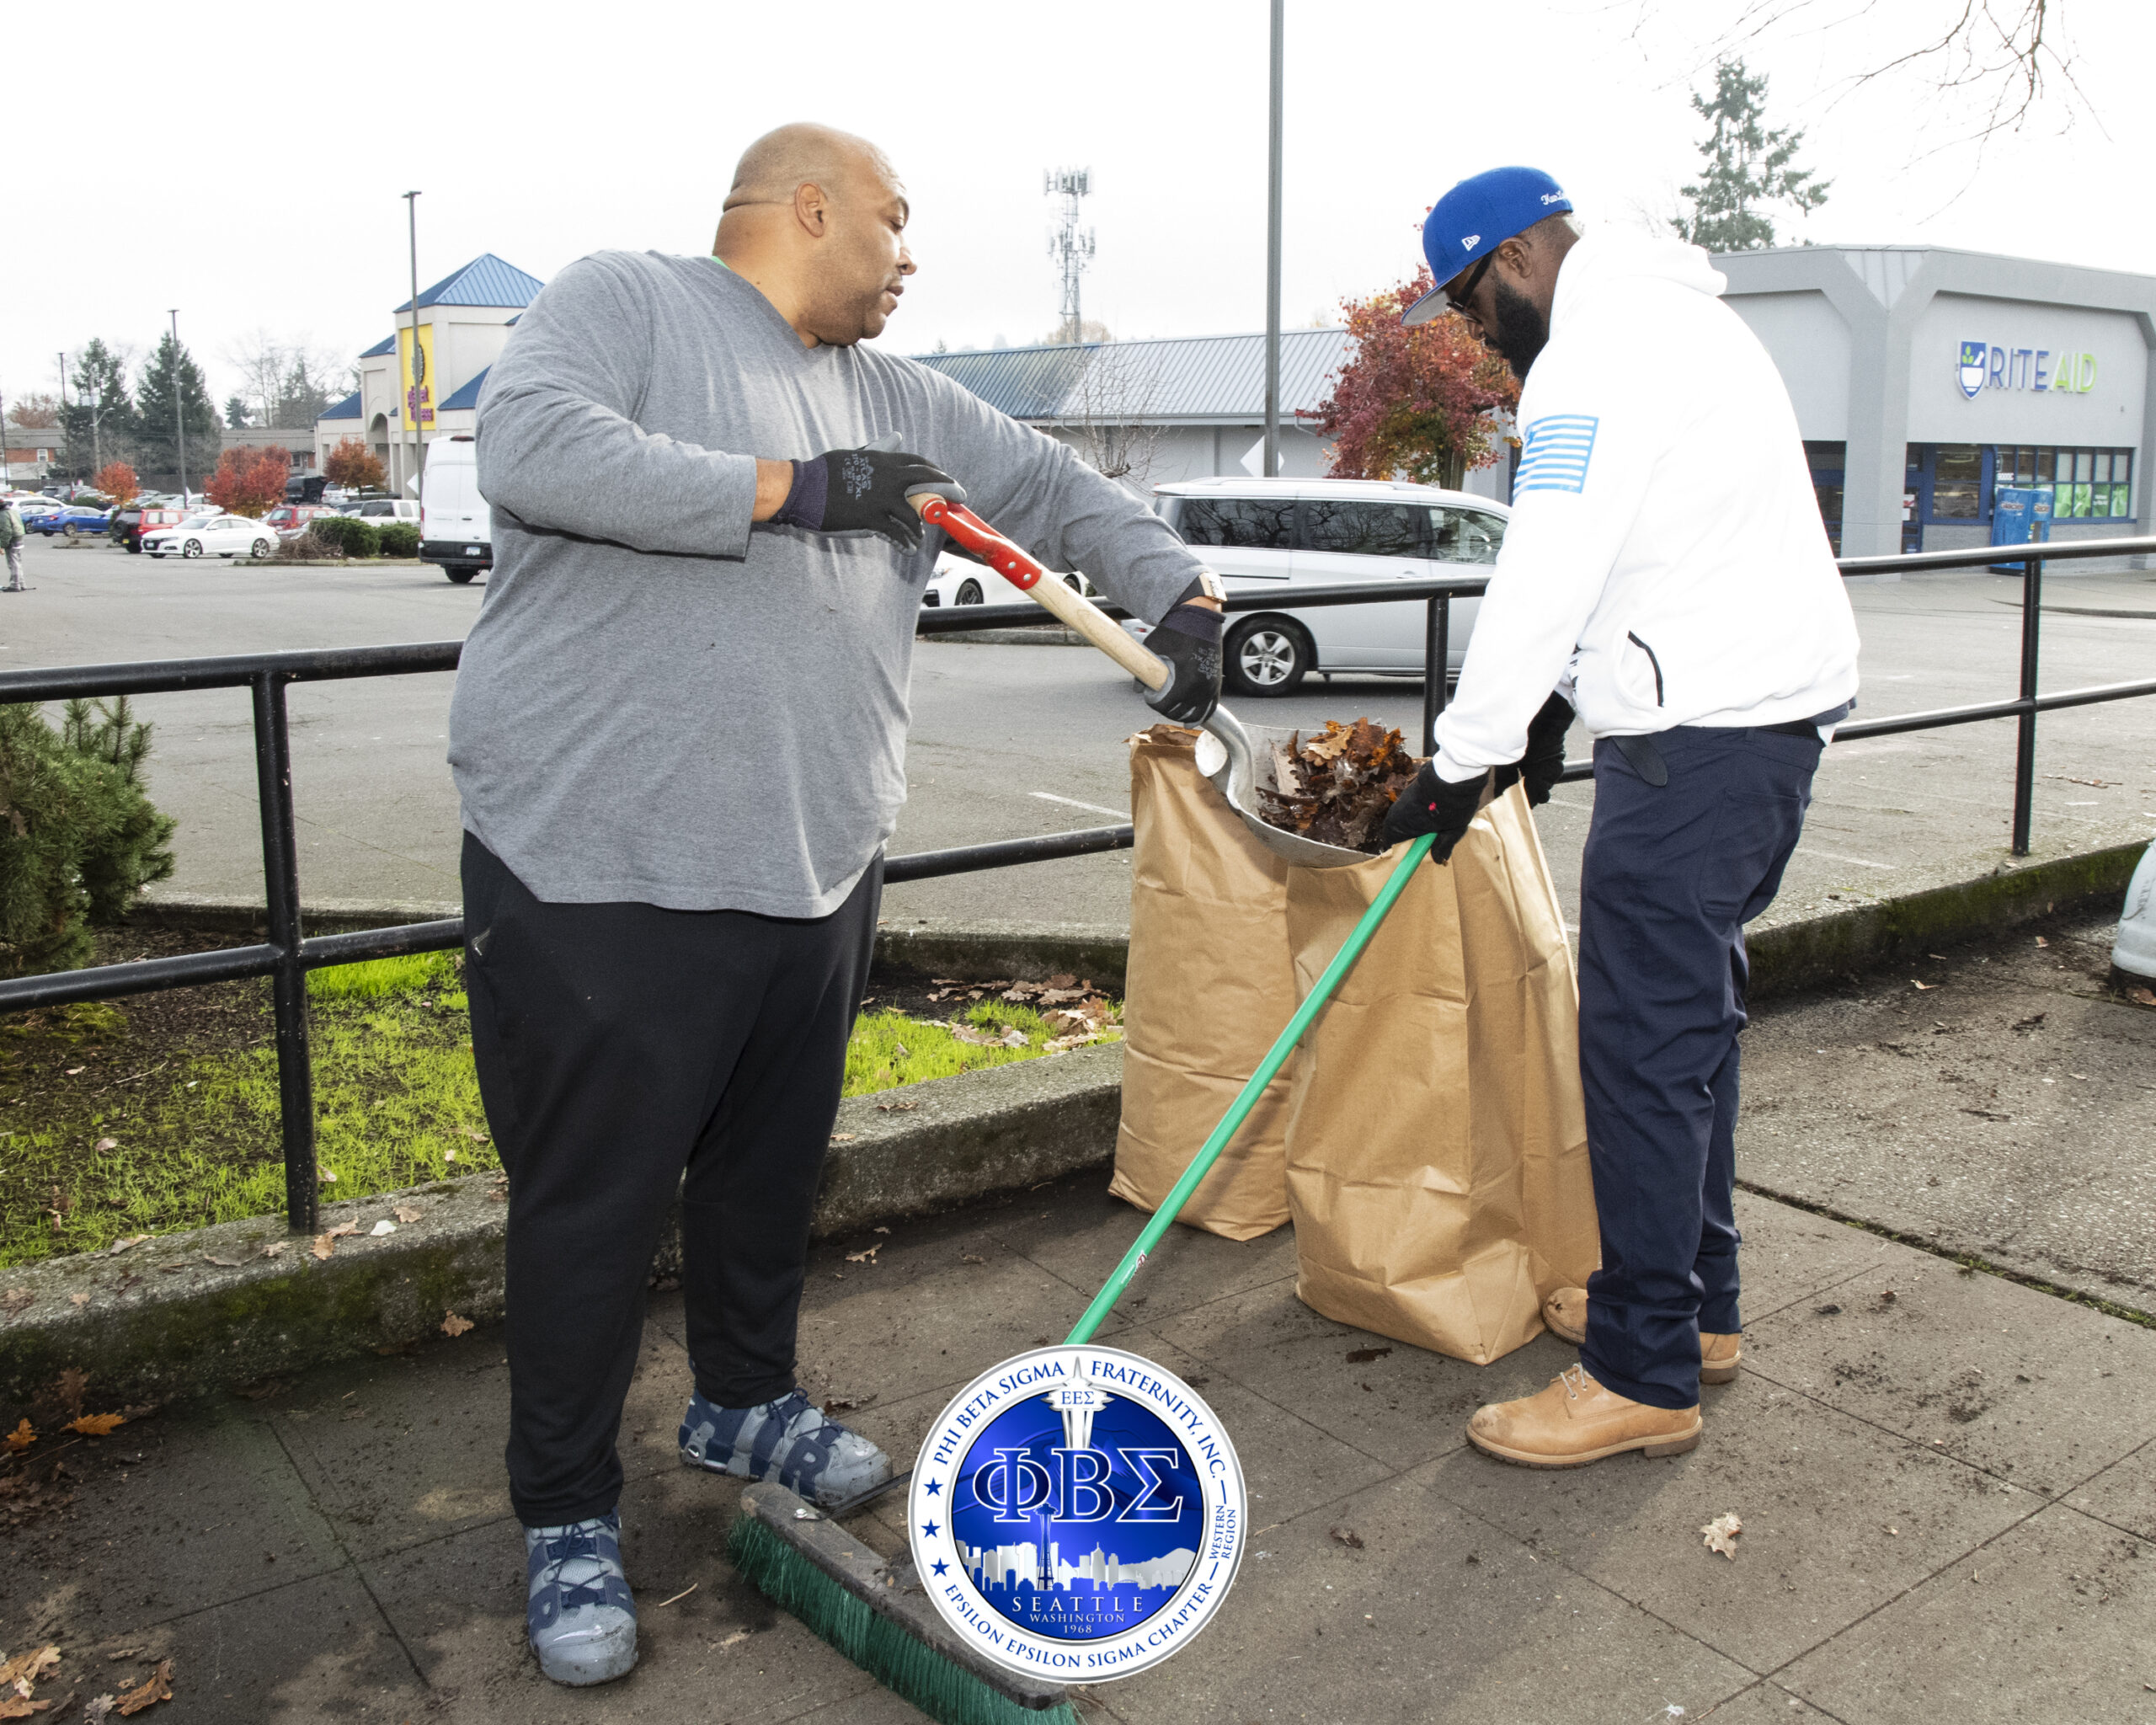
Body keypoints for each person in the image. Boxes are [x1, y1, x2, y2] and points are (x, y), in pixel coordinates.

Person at [450, 122, 1224, 1687]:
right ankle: (566, 1510)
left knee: (761, 1174)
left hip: (811, 863)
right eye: (895, 220)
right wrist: (801, 488)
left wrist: (1183, 593)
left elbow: (1052, 490)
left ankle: (745, 1398)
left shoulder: (902, 399)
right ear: (812, 210)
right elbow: (531, 450)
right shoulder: (627, 302)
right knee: (591, 1206)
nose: (909, 253)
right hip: (603, 866)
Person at [1380, 167, 1859, 1468]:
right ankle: (1695, 1304)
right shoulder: (1690, 321)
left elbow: (1548, 561)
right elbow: (1651, 546)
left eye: (1477, 306)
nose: (1481, 336)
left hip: (1697, 748)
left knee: (1643, 1050)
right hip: (1763, 729)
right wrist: (1546, 719)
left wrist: (1463, 757)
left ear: (1519, 257)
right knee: (1692, 1024)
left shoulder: (1593, 357)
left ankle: (1642, 1368)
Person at [0, 499, 25, 592]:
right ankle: (22, 584)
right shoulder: (13, 512)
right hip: (19, 537)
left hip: (12, 539)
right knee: (18, 561)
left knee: (13, 563)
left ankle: (15, 584)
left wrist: (2, 545)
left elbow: (6, 531)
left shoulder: (3, 515)